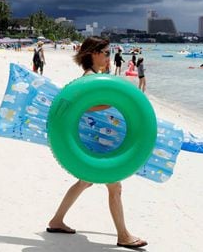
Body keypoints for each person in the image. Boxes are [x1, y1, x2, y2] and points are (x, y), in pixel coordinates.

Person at [47, 37, 147, 249]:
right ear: (94, 53)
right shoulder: (89, 77)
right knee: (115, 185)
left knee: (86, 181)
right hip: (93, 140)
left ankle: (57, 221)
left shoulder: (96, 77)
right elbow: (87, 106)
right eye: (106, 53)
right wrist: (123, 100)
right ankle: (123, 235)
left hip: (94, 138)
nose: (108, 56)